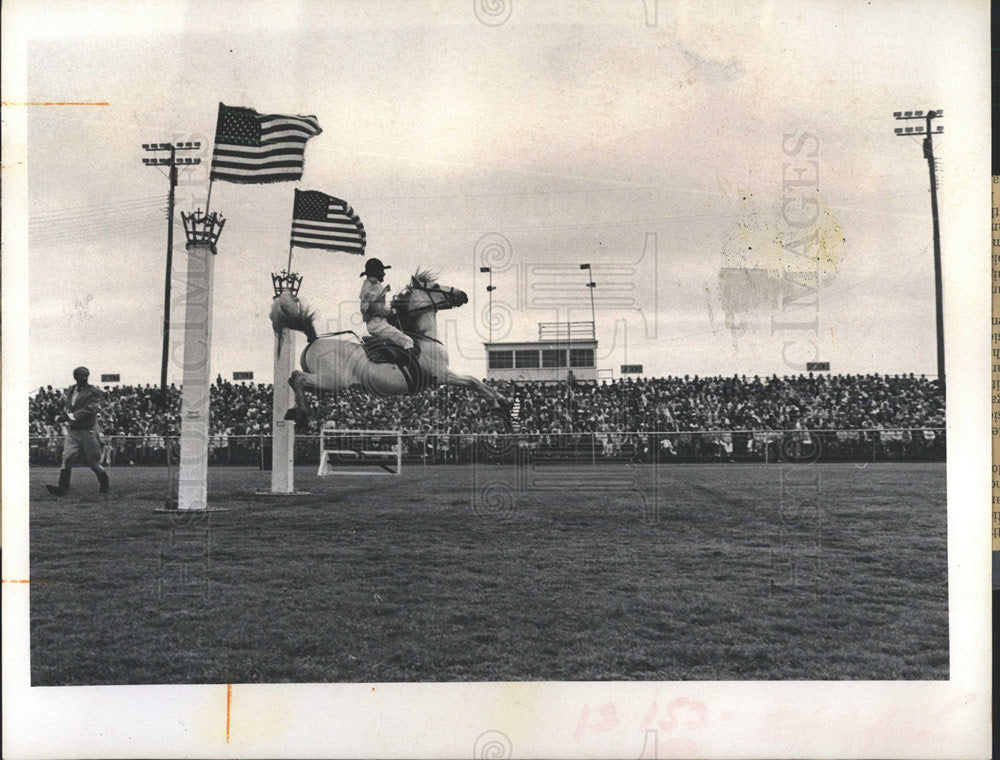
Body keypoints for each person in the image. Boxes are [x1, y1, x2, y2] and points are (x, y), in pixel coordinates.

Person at [46, 366, 110, 496]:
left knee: (93, 462)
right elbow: (69, 407)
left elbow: (89, 410)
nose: (84, 378)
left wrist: (68, 416)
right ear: (75, 377)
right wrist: (61, 414)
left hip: (88, 431)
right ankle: (62, 488)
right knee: (67, 458)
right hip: (73, 430)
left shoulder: (94, 391)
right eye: (81, 375)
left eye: (86, 375)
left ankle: (104, 483)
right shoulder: (71, 390)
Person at [359, 257, 416, 357]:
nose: (384, 274)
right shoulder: (374, 286)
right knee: (408, 341)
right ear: (377, 272)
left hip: (378, 323)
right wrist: (392, 311)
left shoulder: (369, 285)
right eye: (382, 271)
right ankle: (409, 370)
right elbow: (375, 308)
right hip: (378, 324)